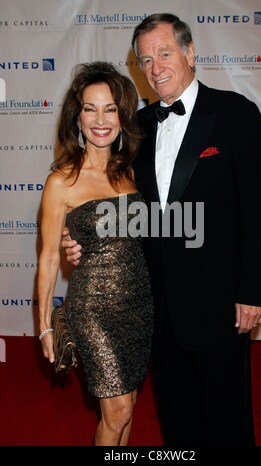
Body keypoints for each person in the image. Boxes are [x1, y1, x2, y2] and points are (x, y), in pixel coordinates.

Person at [62, 14, 261, 446]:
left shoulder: (235, 114)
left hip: (220, 303)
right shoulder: (136, 129)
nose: (156, 67)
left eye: (164, 53)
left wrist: (253, 291)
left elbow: (259, 209)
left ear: (190, 52)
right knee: (177, 421)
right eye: (146, 60)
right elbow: (121, 204)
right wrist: (82, 238)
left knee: (226, 417)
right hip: (155, 304)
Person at [38, 61, 153, 447]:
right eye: (90, 108)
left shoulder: (132, 172)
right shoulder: (61, 181)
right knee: (116, 411)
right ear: (77, 117)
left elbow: (143, 235)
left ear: (122, 117)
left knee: (131, 402)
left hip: (138, 303)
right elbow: (49, 259)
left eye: (110, 109)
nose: (100, 119)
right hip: (93, 308)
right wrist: (45, 325)